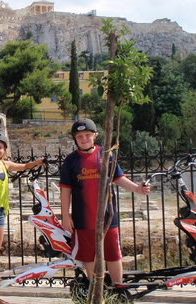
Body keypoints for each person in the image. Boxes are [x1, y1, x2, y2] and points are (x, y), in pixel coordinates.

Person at [59, 118, 151, 286]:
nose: (84, 139)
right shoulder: (71, 160)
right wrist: (65, 215)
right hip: (83, 219)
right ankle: (96, 290)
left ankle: (118, 287)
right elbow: (65, 189)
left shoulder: (106, 154)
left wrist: (137, 189)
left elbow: (118, 178)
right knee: (89, 256)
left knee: (113, 254)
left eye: (87, 135)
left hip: (108, 217)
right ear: (75, 138)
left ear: (95, 136)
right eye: (79, 136)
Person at [0, 132, 45, 304]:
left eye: (0, 147)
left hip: (0, 212)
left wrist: (36, 163)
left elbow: (24, 167)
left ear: (5, 150)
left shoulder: (5, 165)